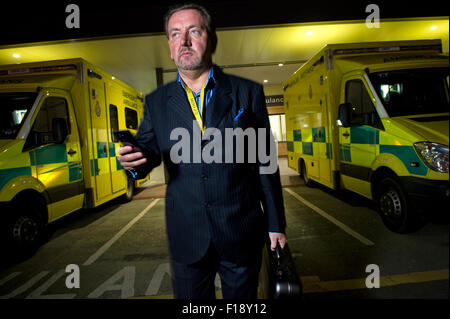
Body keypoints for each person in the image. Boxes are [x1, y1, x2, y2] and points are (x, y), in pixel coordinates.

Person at [117, 3, 287, 299]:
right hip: (187, 234)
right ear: (169, 46)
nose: (183, 41)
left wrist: (275, 224)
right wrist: (134, 162)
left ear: (211, 39)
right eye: (174, 34)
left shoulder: (247, 92)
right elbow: (148, 154)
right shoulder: (157, 102)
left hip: (240, 230)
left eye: (193, 31)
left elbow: (266, 163)